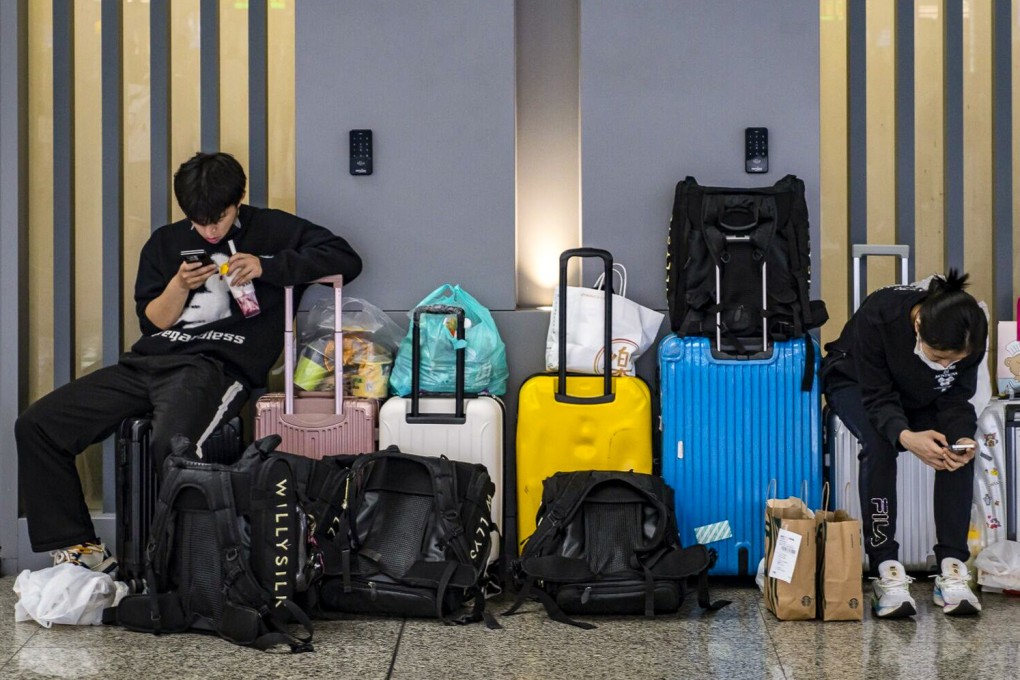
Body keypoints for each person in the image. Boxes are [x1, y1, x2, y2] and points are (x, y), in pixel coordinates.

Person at [15, 151, 362, 574]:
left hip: (216, 367)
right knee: (38, 424)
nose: (209, 229)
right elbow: (153, 322)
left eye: (218, 218)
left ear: (239, 200)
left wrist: (266, 266)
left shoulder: (272, 229)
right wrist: (178, 286)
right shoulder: (165, 242)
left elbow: (346, 258)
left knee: (173, 446)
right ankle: (80, 551)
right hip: (148, 363)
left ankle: (182, 566)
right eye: (199, 221)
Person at [822, 270, 987, 618]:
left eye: (954, 361)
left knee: (957, 449)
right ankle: (886, 569)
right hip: (856, 382)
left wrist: (961, 436)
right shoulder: (880, 314)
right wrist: (906, 436)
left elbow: (957, 396)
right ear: (918, 327)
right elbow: (877, 396)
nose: (946, 365)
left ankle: (953, 565)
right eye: (939, 357)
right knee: (881, 445)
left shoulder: (971, 328)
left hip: (920, 392)